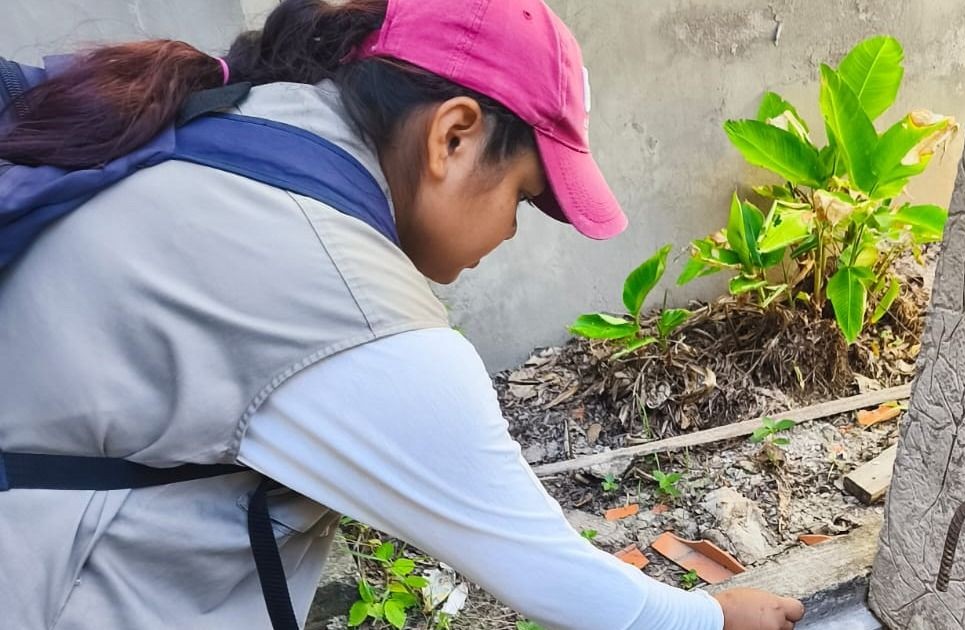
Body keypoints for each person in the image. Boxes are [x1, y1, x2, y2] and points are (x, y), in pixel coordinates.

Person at [0, 1, 806, 628]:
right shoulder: (347, 305)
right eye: (523, 198)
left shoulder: (246, 121)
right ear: (453, 136)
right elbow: (554, 576)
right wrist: (711, 616)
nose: (507, 233)